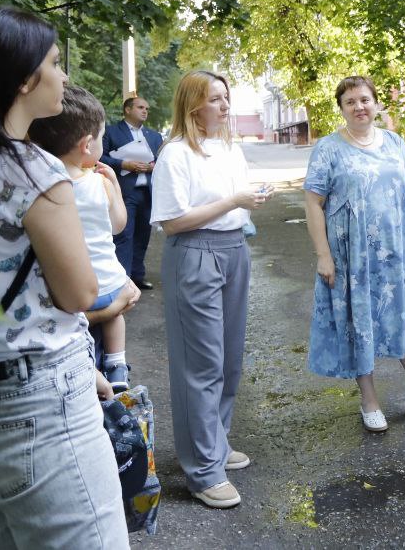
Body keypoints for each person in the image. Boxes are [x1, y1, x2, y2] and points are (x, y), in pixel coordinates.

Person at [0, 5, 128, 547]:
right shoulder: (36, 171)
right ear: (25, 79)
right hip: (40, 410)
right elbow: (80, 294)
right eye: (54, 62)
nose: (64, 74)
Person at [151, 70, 270, 509]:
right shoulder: (175, 154)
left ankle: (214, 444)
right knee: (202, 365)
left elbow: (234, 201)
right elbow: (172, 221)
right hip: (195, 253)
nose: (224, 106)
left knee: (229, 359)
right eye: (215, 99)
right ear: (192, 105)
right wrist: (233, 202)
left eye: (226, 98)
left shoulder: (228, 149)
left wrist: (250, 198)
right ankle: (203, 470)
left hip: (235, 249)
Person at [304, 76, 405, 433]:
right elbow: (314, 203)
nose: (359, 107)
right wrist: (323, 255)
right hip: (353, 257)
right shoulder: (328, 148)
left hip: (399, 253)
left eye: (365, 99)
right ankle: (369, 401)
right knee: (360, 322)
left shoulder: (395, 142)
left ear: (377, 104)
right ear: (342, 108)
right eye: (350, 102)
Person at [29, 85, 141, 393]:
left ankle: (90, 371)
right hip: (109, 284)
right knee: (114, 319)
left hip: (64, 296)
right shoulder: (98, 182)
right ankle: (117, 364)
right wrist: (114, 186)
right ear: (86, 145)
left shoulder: (39, 187)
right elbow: (119, 225)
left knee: (82, 344)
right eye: (102, 137)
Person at [102, 96, 162, 290]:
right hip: (125, 191)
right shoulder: (111, 132)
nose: (145, 111)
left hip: (148, 193)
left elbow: (162, 162)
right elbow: (99, 158)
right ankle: (122, 279)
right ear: (127, 109)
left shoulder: (154, 136)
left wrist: (154, 166)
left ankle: (138, 276)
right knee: (124, 236)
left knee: (143, 236)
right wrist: (123, 164)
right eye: (140, 107)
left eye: (147, 108)